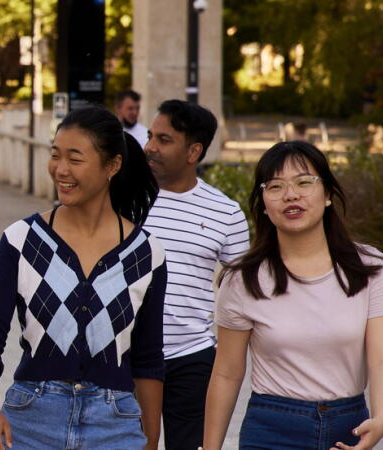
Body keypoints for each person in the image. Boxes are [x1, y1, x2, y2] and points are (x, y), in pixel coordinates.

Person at [0, 107, 168, 450]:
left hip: (116, 426)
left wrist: (149, 441)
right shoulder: (20, 240)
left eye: (75, 159)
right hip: (30, 421)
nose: (60, 170)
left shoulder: (147, 254)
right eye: (55, 155)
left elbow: (148, 359)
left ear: (112, 166)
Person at [202, 142, 383, 450]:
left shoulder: (369, 267)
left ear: (328, 194)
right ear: (264, 205)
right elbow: (227, 373)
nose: (291, 194)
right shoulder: (244, 278)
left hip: (348, 427)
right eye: (275, 186)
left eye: (304, 182)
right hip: (271, 429)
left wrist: (382, 418)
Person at [138, 99, 247, 450]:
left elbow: (244, 295)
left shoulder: (226, 213)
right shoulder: (123, 201)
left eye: (163, 139)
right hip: (127, 355)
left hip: (192, 358)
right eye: (151, 136)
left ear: (193, 151)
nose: (150, 147)